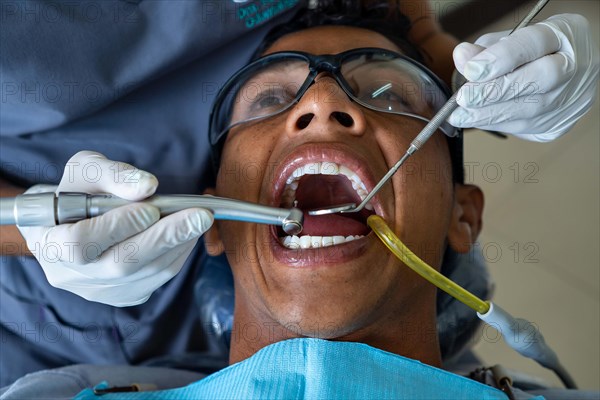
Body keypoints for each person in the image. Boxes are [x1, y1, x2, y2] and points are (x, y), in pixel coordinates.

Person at [1, 0, 598, 389]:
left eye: (387, 94)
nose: (321, 105)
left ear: (463, 217)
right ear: (211, 219)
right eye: (269, 99)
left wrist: (434, 46)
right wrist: (30, 230)